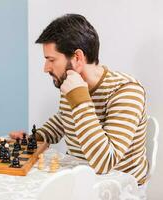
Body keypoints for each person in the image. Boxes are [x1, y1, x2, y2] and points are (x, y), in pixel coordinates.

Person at [10, 14, 148, 186]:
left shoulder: (126, 90)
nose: (46, 68)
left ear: (77, 58)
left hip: (119, 186)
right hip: (80, 178)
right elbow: (65, 119)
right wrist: (34, 138)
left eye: (51, 60)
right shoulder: (71, 85)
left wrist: (80, 100)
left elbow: (104, 162)